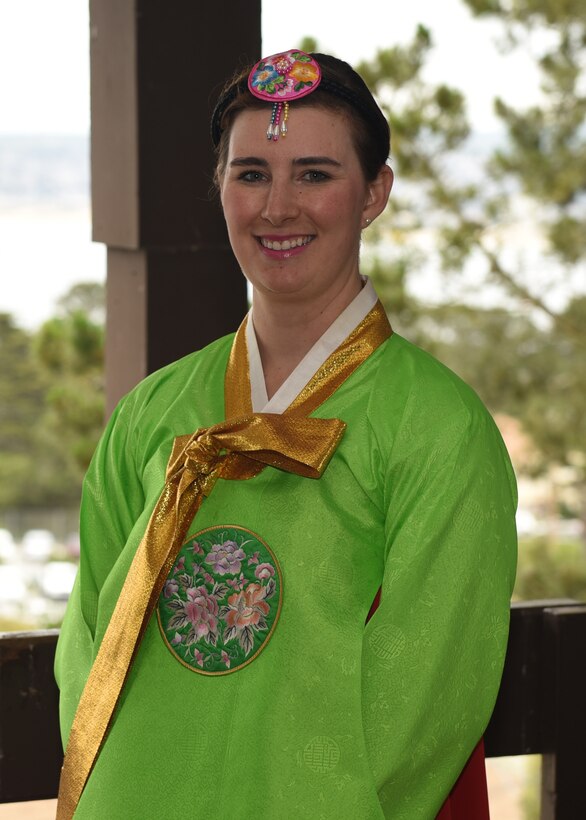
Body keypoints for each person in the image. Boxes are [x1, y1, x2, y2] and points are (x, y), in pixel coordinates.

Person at [55, 50, 517, 819]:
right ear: (221, 189)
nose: (277, 208)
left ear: (374, 193)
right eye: (250, 174)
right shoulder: (151, 414)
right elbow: (86, 645)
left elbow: (429, 696)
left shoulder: (437, 427)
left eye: (314, 174)